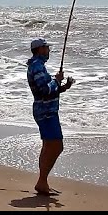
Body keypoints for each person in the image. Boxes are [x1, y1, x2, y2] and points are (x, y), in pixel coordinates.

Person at [26, 37, 74, 195]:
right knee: (57, 146)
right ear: (39, 49)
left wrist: (64, 86)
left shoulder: (37, 66)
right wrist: (56, 80)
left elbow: (49, 90)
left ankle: (43, 181)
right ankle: (42, 181)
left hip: (45, 110)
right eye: (46, 48)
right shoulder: (37, 66)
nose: (48, 50)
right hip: (46, 112)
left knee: (47, 147)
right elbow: (44, 90)